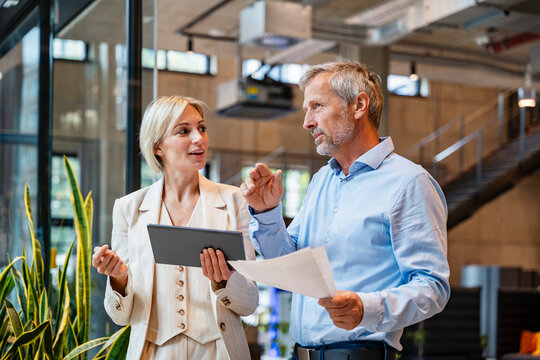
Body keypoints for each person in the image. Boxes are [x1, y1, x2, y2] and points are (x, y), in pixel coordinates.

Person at [241, 60, 450, 360]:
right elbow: (288, 263)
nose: (307, 122)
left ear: (358, 105)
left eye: (317, 106)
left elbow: (432, 288)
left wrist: (366, 308)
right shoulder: (321, 181)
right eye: (306, 110)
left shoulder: (409, 183)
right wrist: (267, 212)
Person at [92, 95, 258, 360]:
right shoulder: (128, 209)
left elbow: (249, 303)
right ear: (158, 146)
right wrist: (119, 278)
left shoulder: (234, 201)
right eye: (184, 131)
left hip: (217, 352)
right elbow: (119, 316)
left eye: (202, 128)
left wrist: (224, 280)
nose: (199, 138)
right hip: (153, 353)